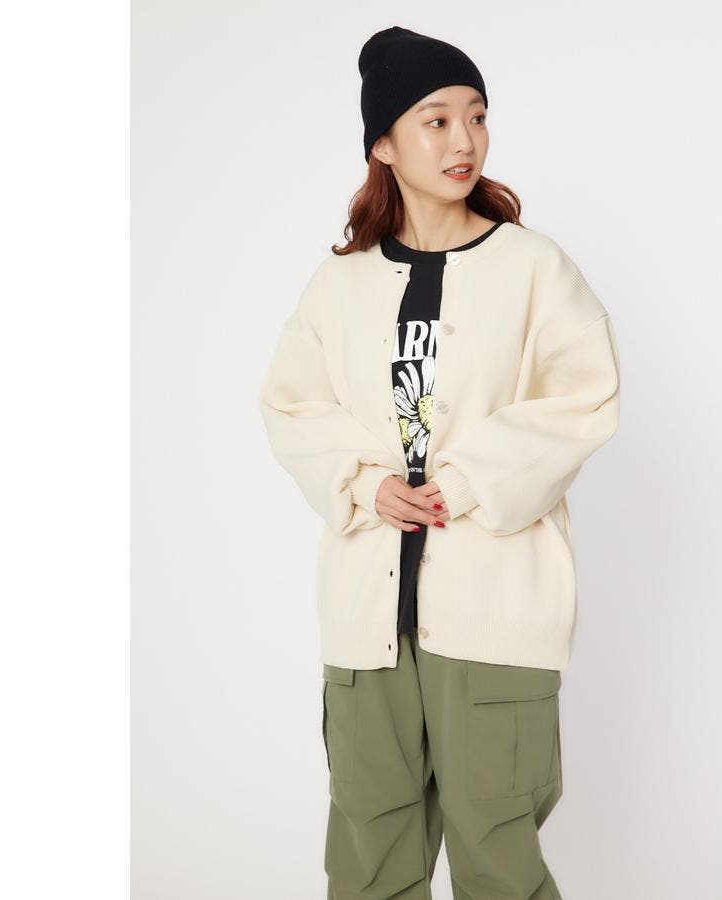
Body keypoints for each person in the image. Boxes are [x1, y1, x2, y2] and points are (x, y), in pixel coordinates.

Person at [257, 25, 621, 899]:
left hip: (496, 611)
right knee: (369, 857)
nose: (465, 140)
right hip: (368, 622)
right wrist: (361, 483)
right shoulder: (340, 284)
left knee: (498, 860)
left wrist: (466, 480)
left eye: (477, 116)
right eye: (437, 119)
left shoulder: (533, 268)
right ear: (383, 143)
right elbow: (290, 404)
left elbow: (585, 396)